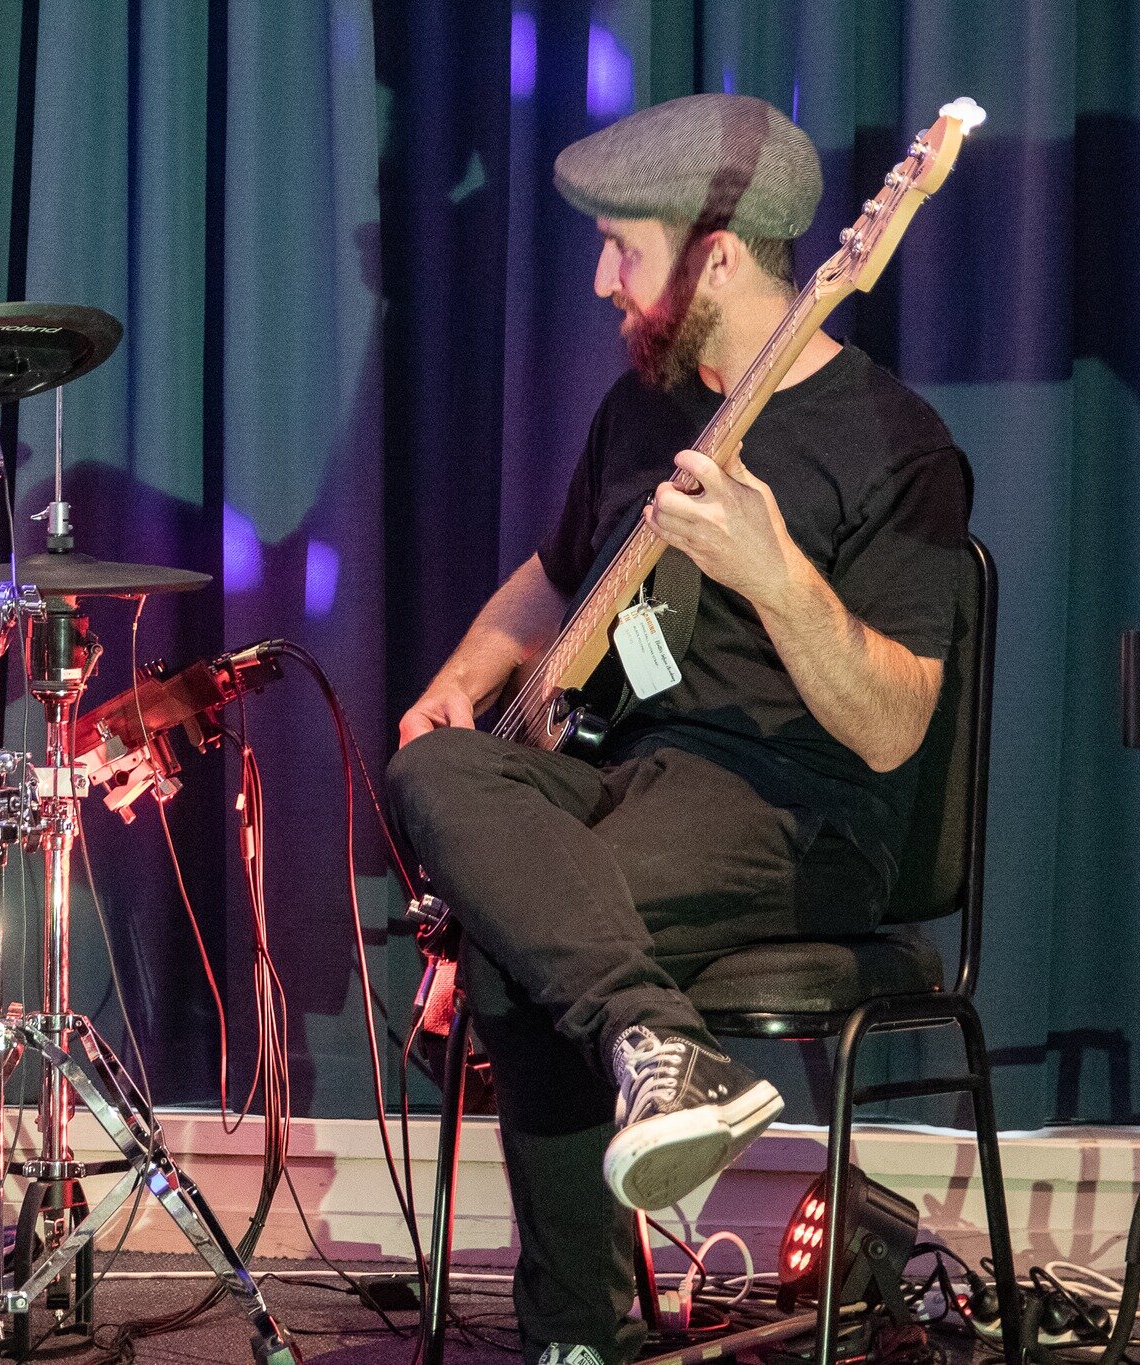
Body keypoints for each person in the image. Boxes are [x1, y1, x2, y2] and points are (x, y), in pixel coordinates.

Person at [386, 94, 970, 1364]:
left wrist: (775, 573)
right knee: (433, 765)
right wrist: (463, 675)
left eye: (624, 250)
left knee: (515, 938)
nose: (601, 280)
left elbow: (892, 728)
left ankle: (576, 1338)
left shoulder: (896, 447)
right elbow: (556, 577)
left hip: (794, 810)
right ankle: (652, 1043)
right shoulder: (637, 409)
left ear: (714, 258)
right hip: (626, 776)